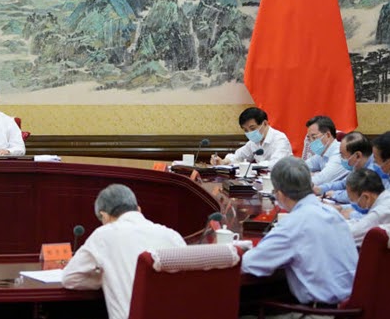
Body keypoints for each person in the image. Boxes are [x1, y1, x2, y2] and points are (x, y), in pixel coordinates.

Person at [241, 157, 357, 305]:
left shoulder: (292, 225)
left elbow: (249, 264)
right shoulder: (332, 212)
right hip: (352, 308)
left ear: (280, 194)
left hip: (320, 313)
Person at [62, 184, 186, 319]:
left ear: (104, 216)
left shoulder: (104, 235)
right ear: (138, 209)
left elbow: (70, 278)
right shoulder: (172, 236)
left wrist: (105, 277)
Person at [344, 168, 390, 246]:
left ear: (366, 197)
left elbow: (350, 236)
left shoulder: (381, 212)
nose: (352, 203)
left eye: (352, 199)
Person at [211, 107, 292, 168]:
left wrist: (251, 166)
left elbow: (275, 165)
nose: (250, 133)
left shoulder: (280, 140)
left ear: (265, 123)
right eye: (246, 130)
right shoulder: (254, 142)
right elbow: (239, 156)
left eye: (252, 128)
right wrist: (223, 162)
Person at [313, 131, 378, 203]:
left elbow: (358, 196)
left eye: (343, 155)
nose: (341, 158)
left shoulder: (374, 171)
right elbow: (344, 184)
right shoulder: (358, 165)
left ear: (357, 155)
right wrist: (321, 189)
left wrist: (334, 195)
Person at [303, 115, 347, 187]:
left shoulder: (339, 153)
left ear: (328, 135)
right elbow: (300, 167)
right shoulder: (321, 154)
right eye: (309, 138)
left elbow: (320, 181)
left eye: (314, 137)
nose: (311, 141)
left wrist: (313, 175)